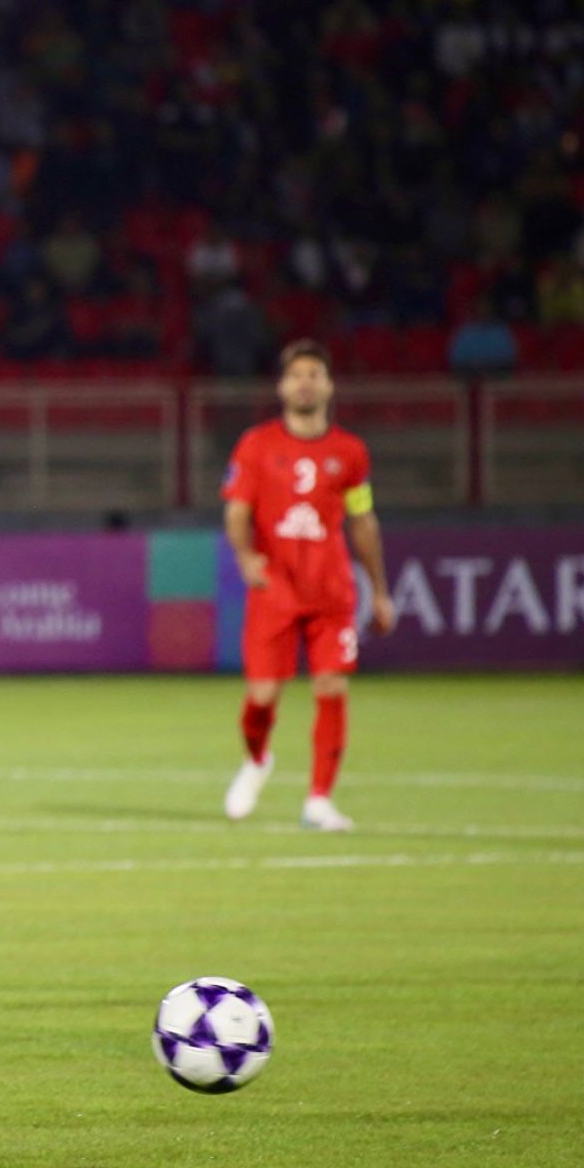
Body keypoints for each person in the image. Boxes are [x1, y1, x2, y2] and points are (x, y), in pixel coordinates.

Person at [222, 339, 396, 831]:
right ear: (281, 387)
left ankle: (319, 799)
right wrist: (245, 556)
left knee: (332, 685)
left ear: (329, 386)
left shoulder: (350, 453)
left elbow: (363, 521)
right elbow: (237, 511)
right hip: (274, 589)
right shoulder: (256, 445)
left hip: (331, 592)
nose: (305, 383)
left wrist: (380, 590)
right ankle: (257, 759)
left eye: (314, 375)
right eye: (296, 375)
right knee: (262, 696)